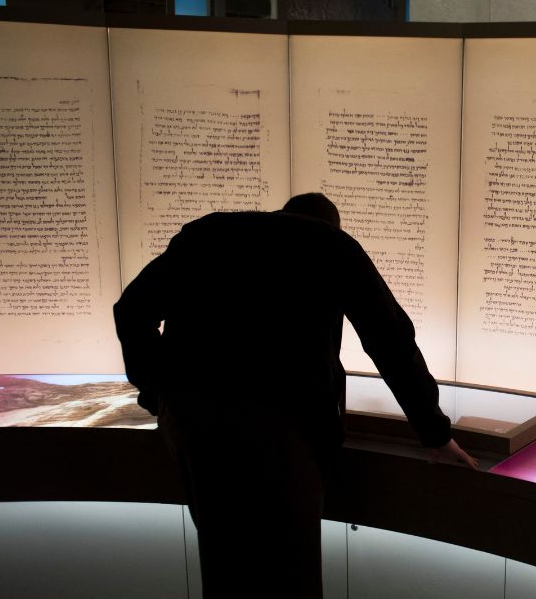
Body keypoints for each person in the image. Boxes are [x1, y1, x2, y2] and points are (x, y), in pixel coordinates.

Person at [114, 193, 476, 599]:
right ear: (330, 225)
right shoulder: (332, 245)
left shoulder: (207, 235)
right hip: (285, 429)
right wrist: (435, 432)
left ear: (283, 213)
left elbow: (130, 310)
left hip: (196, 422)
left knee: (225, 565)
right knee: (291, 575)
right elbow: (391, 341)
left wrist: (159, 392)